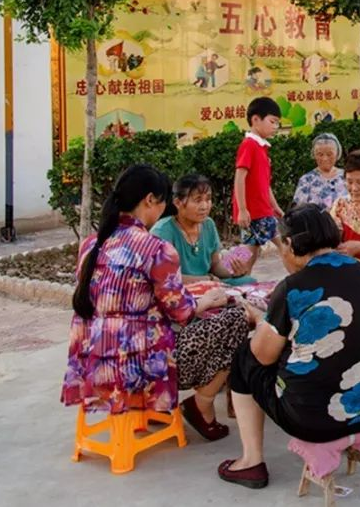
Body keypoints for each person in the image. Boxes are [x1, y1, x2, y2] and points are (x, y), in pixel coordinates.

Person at [61, 165, 250, 442]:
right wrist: (207, 299)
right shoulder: (156, 246)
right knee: (236, 318)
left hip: (91, 359)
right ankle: (202, 405)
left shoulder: (91, 243)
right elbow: (182, 311)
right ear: (151, 200)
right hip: (140, 365)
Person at [217, 205, 360, 490]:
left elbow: (262, 355)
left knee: (245, 356)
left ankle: (251, 461)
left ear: (289, 244)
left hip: (317, 419)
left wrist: (262, 320)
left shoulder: (292, 288)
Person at [152, 174, 254, 285]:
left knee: (249, 281)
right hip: (180, 291)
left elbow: (215, 265)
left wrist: (233, 270)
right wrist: (207, 280)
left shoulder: (208, 224)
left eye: (208, 199)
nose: (204, 206)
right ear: (178, 203)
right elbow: (164, 278)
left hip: (209, 285)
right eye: (197, 200)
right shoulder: (163, 231)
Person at [234, 97, 284, 272]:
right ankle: (301, 275)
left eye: (277, 123)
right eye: (272, 121)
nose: (275, 127)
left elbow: (265, 183)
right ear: (255, 120)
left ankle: (229, 273)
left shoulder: (261, 147)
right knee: (284, 245)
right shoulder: (249, 145)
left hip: (261, 210)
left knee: (250, 250)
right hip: (255, 211)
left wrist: (275, 206)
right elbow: (239, 177)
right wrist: (242, 209)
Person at [293, 133, 349, 209]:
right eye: (320, 154)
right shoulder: (306, 180)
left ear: (337, 154)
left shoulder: (347, 176)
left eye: (329, 154)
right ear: (314, 155)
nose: (325, 158)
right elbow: (299, 210)